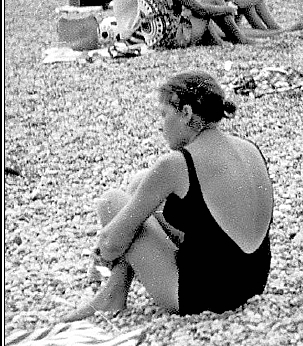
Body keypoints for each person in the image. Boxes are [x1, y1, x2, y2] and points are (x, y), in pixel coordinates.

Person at [62, 71, 274, 320]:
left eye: (164, 114)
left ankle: (112, 293)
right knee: (141, 184)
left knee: (112, 202)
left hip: (205, 294)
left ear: (185, 113)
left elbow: (111, 244)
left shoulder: (177, 164)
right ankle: (114, 292)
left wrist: (100, 259)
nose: (160, 125)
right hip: (253, 282)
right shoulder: (249, 148)